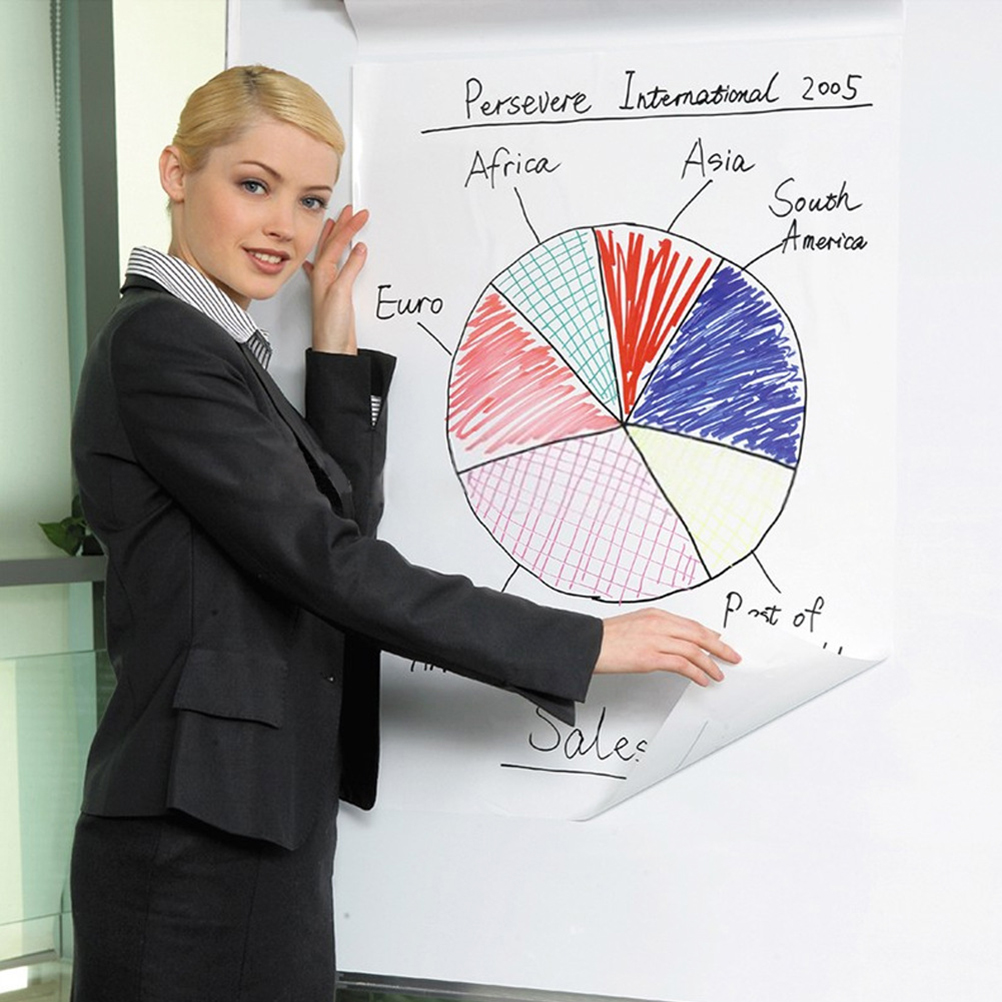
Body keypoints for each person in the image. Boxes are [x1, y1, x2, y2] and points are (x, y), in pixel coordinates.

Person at [68, 64, 739, 1001]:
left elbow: (329, 532)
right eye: (254, 185)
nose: (285, 227)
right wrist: (584, 642)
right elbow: (330, 563)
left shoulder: (215, 349)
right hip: (194, 829)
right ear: (177, 173)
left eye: (310, 201)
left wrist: (333, 344)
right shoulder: (162, 341)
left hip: (248, 811)